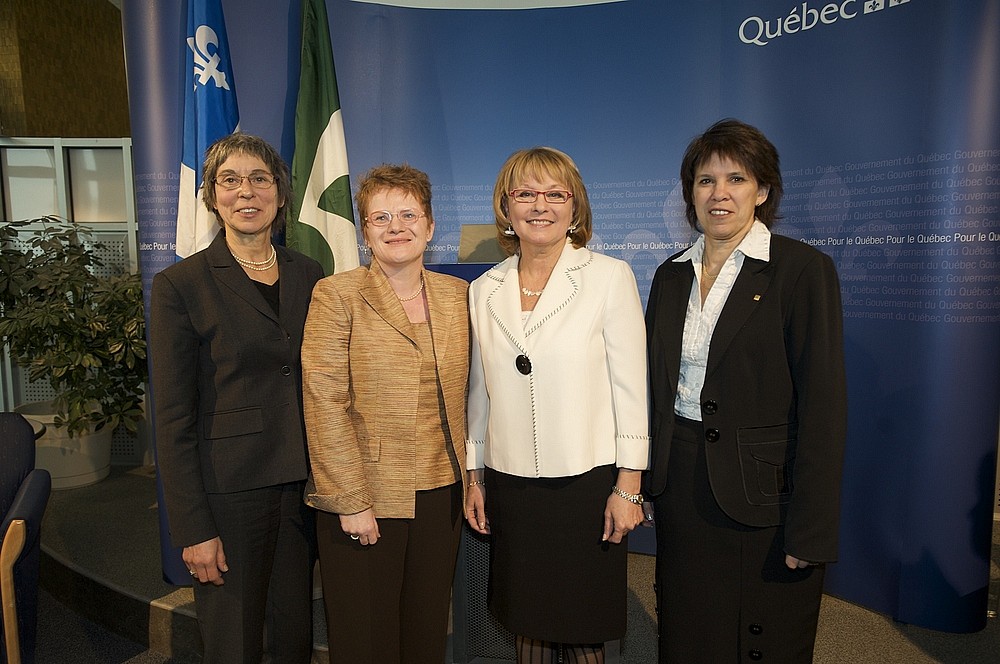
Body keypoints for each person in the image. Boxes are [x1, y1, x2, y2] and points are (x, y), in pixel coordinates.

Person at [644, 118, 848, 663]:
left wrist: (811, 529)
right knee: (689, 628)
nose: (720, 193)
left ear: (762, 190)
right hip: (682, 485)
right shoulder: (670, 276)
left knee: (765, 634)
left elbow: (824, 408)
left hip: (765, 494)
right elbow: (657, 390)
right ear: (690, 194)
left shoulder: (802, 270)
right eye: (706, 180)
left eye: (736, 178)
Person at [465, 147, 649, 664]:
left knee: (581, 623)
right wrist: (473, 475)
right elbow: (480, 391)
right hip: (512, 481)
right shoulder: (484, 289)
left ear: (575, 207)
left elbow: (631, 388)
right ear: (507, 206)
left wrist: (630, 486)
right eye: (525, 193)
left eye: (554, 193)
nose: (539, 205)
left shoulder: (609, 277)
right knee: (528, 620)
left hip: (586, 483)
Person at [150, 132, 323, 663]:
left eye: (259, 179)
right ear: (212, 195)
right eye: (230, 180)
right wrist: (194, 527)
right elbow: (173, 417)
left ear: (279, 191)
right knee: (235, 643)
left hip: (301, 488)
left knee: (293, 635)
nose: (245, 192)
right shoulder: (182, 284)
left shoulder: (309, 274)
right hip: (228, 492)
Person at [301, 164, 469, 663]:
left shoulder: (458, 296)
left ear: (431, 225)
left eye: (408, 214)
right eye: (380, 217)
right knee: (366, 639)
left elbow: (473, 396)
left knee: (425, 632)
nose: (397, 226)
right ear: (365, 233)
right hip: (367, 495)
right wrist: (350, 499)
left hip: (441, 492)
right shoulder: (337, 295)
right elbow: (324, 401)